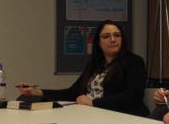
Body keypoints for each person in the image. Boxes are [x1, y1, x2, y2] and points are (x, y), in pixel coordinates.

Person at [19, 20, 148, 116]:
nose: (113, 40)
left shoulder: (134, 62)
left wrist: (93, 103)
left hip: (122, 119)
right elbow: (73, 92)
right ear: (98, 42)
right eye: (106, 36)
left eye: (117, 35)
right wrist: (40, 92)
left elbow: (133, 97)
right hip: (91, 115)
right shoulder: (95, 64)